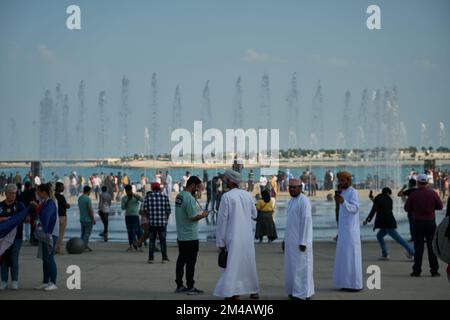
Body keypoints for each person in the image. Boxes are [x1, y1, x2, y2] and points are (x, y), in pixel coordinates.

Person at [214, 170, 259, 300]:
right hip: (246, 237)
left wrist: (220, 243)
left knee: (232, 266)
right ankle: (252, 290)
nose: (224, 181)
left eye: (226, 179)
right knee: (247, 264)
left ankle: (233, 293)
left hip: (232, 237)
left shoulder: (227, 197)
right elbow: (254, 214)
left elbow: (222, 222)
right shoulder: (247, 195)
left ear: (231, 181)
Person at [174, 176, 208, 294]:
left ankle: (179, 285)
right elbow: (192, 217)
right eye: (197, 187)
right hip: (190, 236)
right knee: (190, 263)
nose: (198, 190)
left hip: (181, 235)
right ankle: (190, 286)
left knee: (181, 261)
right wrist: (203, 215)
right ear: (193, 185)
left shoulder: (180, 196)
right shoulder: (189, 198)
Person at [404, 173, 443, 277]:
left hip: (418, 223)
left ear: (417, 182)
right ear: (426, 182)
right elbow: (440, 206)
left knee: (418, 247)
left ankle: (417, 270)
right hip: (430, 222)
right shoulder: (433, 193)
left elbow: (407, 208)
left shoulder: (413, 194)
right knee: (432, 247)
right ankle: (434, 271)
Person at [363, 187, 414, 260]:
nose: (390, 195)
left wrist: (367, 220)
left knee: (399, 239)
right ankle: (385, 254)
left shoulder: (380, 197)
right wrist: (372, 198)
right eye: (390, 194)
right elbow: (378, 205)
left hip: (387, 224)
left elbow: (375, 207)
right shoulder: (389, 200)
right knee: (379, 236)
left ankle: (413, 252)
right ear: (387, 193)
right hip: (388, 222)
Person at [284, 178, 314, 300]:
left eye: (294, 187)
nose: (291, 189)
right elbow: (290, 223)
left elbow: (306, 221)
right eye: (290, 187)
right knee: (292, 268)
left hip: (301, 242)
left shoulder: (304, 201)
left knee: (302, 268)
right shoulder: (291, 201)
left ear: (300, 188)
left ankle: (303, 293)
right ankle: (294, 290)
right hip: (291, 241)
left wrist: (303, 241)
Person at [332, 171, 363, 291]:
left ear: (348, 181)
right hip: (343, 230)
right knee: (343, 256)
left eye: (342, 180)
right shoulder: (343, 192)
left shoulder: (353, 192)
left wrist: (343, 202)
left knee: (351, 256)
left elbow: (355, 208)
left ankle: (354, 284)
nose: (340, 182)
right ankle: (344, 283)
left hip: (351, 230)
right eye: (339, 180)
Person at [31, 183, 59, 291]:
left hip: (50, 234)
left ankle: (53, 282)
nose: (37, 193)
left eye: (38, 191)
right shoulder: (45, 202)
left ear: (44, 192)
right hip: (45, 234)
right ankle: (45, 281)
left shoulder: (50, 202)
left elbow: (45, 218)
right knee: (45, 259)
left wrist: (38, 225)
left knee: (49, 258)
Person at [0, 184, 26, 290]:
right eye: (11, 193)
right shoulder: (0, 206)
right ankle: (4, 281)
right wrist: (7, 219)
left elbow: (25, 217)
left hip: (17, 237)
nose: (13, 195)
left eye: (15, 193)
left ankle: (15, 281)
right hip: (2, 238)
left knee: (14, 258)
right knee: (3, 260)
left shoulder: (19, 205)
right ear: (6, 193)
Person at [144, 182, 171, 263]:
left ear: (152, 188)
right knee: (163, 240)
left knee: (152, 240)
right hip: (162, 223)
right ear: (159, 188)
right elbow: (168, 210)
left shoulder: (148, 197)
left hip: (152, 223)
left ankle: (151, 258)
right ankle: (164, 258)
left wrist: (148, 218)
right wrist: (166, 219)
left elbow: (145, 211)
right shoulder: (164, 197)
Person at [121, 184, 143, 251]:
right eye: (126, 191)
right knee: (129, 231)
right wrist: (127, 200)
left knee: (137, 231)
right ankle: (131, 245)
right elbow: (123, 208)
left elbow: (142, 200)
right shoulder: (124, 198)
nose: (128, 192)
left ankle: (139, 245)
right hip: (127, 216)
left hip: (135, 216)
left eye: (128, 191)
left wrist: (136, 196)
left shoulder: (136, 196)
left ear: (131, 190)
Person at [78, 186, 96, 252]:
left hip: (82, 218)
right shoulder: (87, 199)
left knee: (83, 233)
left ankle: (81, 245)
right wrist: (93, 219)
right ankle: (84, 245)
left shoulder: (80, 198)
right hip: (88, 219)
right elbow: (90, 210)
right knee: (87, 233)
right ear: (88, 191)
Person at [54, 182, 70, 254]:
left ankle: (54, 247)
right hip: (62, 216)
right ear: (58, 188)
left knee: (55, 233)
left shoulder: (53, 196)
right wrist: (68, 205)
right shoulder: (61, 197)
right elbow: (66, 205)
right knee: (61, 233)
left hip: (55, 216)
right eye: (62, 187)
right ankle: (58, 249)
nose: (63, 188)